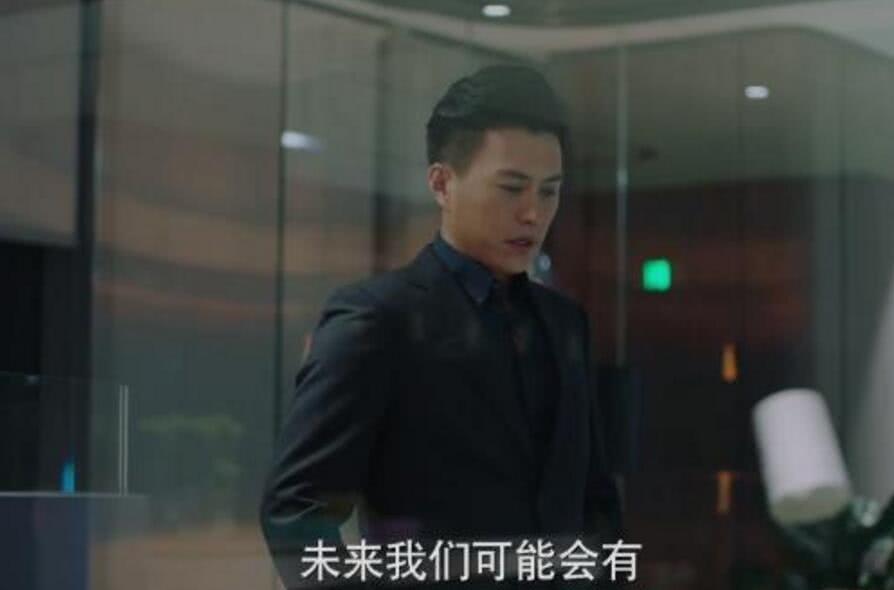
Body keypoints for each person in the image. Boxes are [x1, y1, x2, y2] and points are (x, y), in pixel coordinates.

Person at [260, 64, 625, 590]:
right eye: (511, 188)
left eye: (549, 192)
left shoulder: (566, 324)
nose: (533, 213)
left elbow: (596, 502)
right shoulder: (378, 320)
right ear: (441, 183)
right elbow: (295, 509)